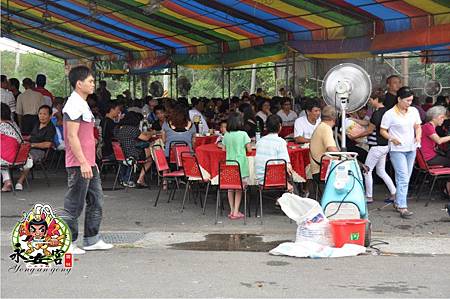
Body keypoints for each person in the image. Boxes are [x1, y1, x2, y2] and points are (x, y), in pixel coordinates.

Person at [61, 65, 113, 254]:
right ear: (79, 83)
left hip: (88, 162)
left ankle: (91, 239)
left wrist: (90, 162)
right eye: (90, 81)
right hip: (79, 164)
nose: (93, 84)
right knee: (74, 204)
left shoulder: (81, 102)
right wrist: (83, 162)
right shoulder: (73, 104)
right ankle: (67, 243)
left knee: (96, 200)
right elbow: (72, 136)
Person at [380, 87, 421, 218]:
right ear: (399, 99)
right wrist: (392, 138)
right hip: (397, 150)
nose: (410, 103)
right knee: (403, 177)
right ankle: (403, 207)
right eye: (407, 100)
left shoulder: (413, 111)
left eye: (411, 100)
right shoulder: (389, 114)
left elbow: (417, 126)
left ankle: (397, 201)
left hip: (411, 148)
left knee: (405, 177)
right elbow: (382, 130)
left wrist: (418, 136)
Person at [355, 92, 397, 204]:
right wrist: (354, 120)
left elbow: (369, 130)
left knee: (367, 171)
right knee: (381, 171)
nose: (369, 101)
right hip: (385, 145)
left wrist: (355, 136)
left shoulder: (377, 113)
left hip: (376, 146)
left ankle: (369, 197)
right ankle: (394, 193)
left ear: (377, 99)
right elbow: (368, 123)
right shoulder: (387, 111)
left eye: (371, 99)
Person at [15, 105, 56, 191]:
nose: (42, 116)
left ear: (50, 116)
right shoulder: (37, 123)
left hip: (39, 151)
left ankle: (20, 181)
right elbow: (32, 136)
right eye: (40, 113)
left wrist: (32, 145)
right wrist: (23, 138)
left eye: (45, 114)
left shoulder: (50, 128)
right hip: (29, 146)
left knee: (28, 158)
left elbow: (48, 144)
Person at [221, 112, 252, 220]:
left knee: (230, 188)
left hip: (229, 164)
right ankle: (236, 211)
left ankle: (231, 210)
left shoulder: (226, 135)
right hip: (240, 165)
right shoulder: (243, 134)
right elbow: (249, 149)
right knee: (239, 188)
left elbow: (223, 149)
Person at [114, 111, 153, 188]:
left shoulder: (118, 128)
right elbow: (146, 138)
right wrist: (151, 132)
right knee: (151, 156)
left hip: (122, 154)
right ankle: (140, 179)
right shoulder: (132, 129)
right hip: (133, 154)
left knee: (147, 150)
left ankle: (138, 179)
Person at [255, 114, 293, 192]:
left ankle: (279, 198)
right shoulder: (281, 142)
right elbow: (285, 163)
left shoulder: (259, 141)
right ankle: (284, 198)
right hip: (275, 179)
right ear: (280, 126)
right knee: (290, 173)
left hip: (261, 179)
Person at [421, 105, 450, 196]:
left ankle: (445, 188)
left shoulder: (427, 126)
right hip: (429, 158)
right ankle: (447, 189)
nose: (443, 120)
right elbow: (439, 140)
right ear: (435, 117)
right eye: (441, 117)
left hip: (427, 157)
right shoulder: (428, 127)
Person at [309, 106, 339, 181]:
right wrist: (346, 156)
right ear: (334, 118)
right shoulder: (326, 128)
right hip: (322, 170)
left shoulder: (321, 126)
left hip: (317, 169)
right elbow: (332, 149)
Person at [0, 103, 22, 192]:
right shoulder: (13, 124)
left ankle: (7, 181)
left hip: (8, 158)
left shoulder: (1, 126)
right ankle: (6, 181)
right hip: (18, 156)